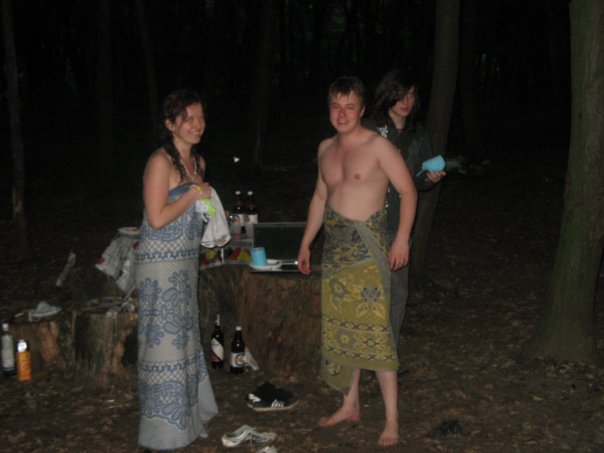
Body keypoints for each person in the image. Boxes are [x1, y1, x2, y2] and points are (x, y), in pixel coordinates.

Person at [297, 76, 417, 447]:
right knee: (341, 329)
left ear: (362, 110)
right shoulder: (325, 148)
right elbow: (320, 197)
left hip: (368, 251)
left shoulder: (379, 146)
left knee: (376, 334)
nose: (342, 113)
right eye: (336, 106)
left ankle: (392, 420)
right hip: (335, 253)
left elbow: (408, 190)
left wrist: (401, 238)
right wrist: (306, 243)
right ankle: (350, 404)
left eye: (350, 106)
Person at [134, 89, 218, 450]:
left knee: (185, 339)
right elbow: (156, 218)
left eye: (201, 117)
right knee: (163, 344)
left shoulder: (198, 162)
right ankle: (162, 432)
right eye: (188, 118)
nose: (197, 124)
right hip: (159, 265)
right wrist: (193, 194)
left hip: (185, 262)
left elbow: (194, 210)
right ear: (170, 124)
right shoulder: (160, 162)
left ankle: (188, 420)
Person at [364, 69, 446, 347]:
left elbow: (419, 180)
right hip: (369, 224)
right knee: (370, 293)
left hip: (400, 225)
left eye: (410, 95)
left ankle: (388, 354)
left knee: (398, 294)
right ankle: (365, 353)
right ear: (388, 94)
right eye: (400, 94)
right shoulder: (369, 129)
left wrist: (430, 178)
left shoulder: (418, 134)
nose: (405, 101)